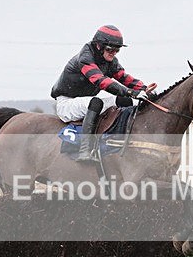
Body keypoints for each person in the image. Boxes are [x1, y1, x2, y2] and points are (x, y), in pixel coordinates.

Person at [51, 25, 156, 161]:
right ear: (99, 46)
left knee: (125, 100)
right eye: (110, 49)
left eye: (117, 50)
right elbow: (101, 81)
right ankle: (85, 151)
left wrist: (143, 89)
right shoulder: (85, 58)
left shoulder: (110, 61)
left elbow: (124, 78)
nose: (113, 53)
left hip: (85, 101)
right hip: (66, 103)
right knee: (96, 102)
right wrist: (130, 91)